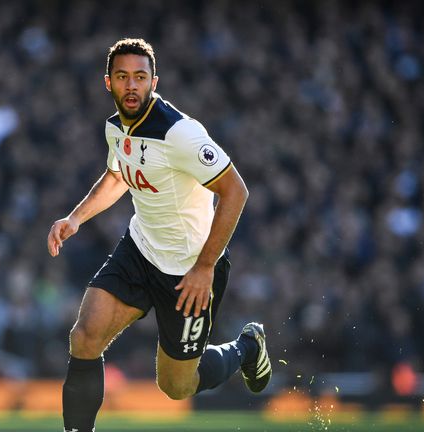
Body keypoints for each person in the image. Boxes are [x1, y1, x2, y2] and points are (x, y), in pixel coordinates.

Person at [46, 38, 271, 432]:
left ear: (154, 81)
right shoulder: (115, 127)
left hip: (189, 271)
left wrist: (204, 268)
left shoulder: (180, 133)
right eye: (122, 77)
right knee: (84, 336)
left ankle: (247, 347)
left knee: (176, 385)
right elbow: (119, 174)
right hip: (140, 249)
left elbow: (235, 190)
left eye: (139, 77)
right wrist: (76, 218)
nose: (131, 86)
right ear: (108, 83)